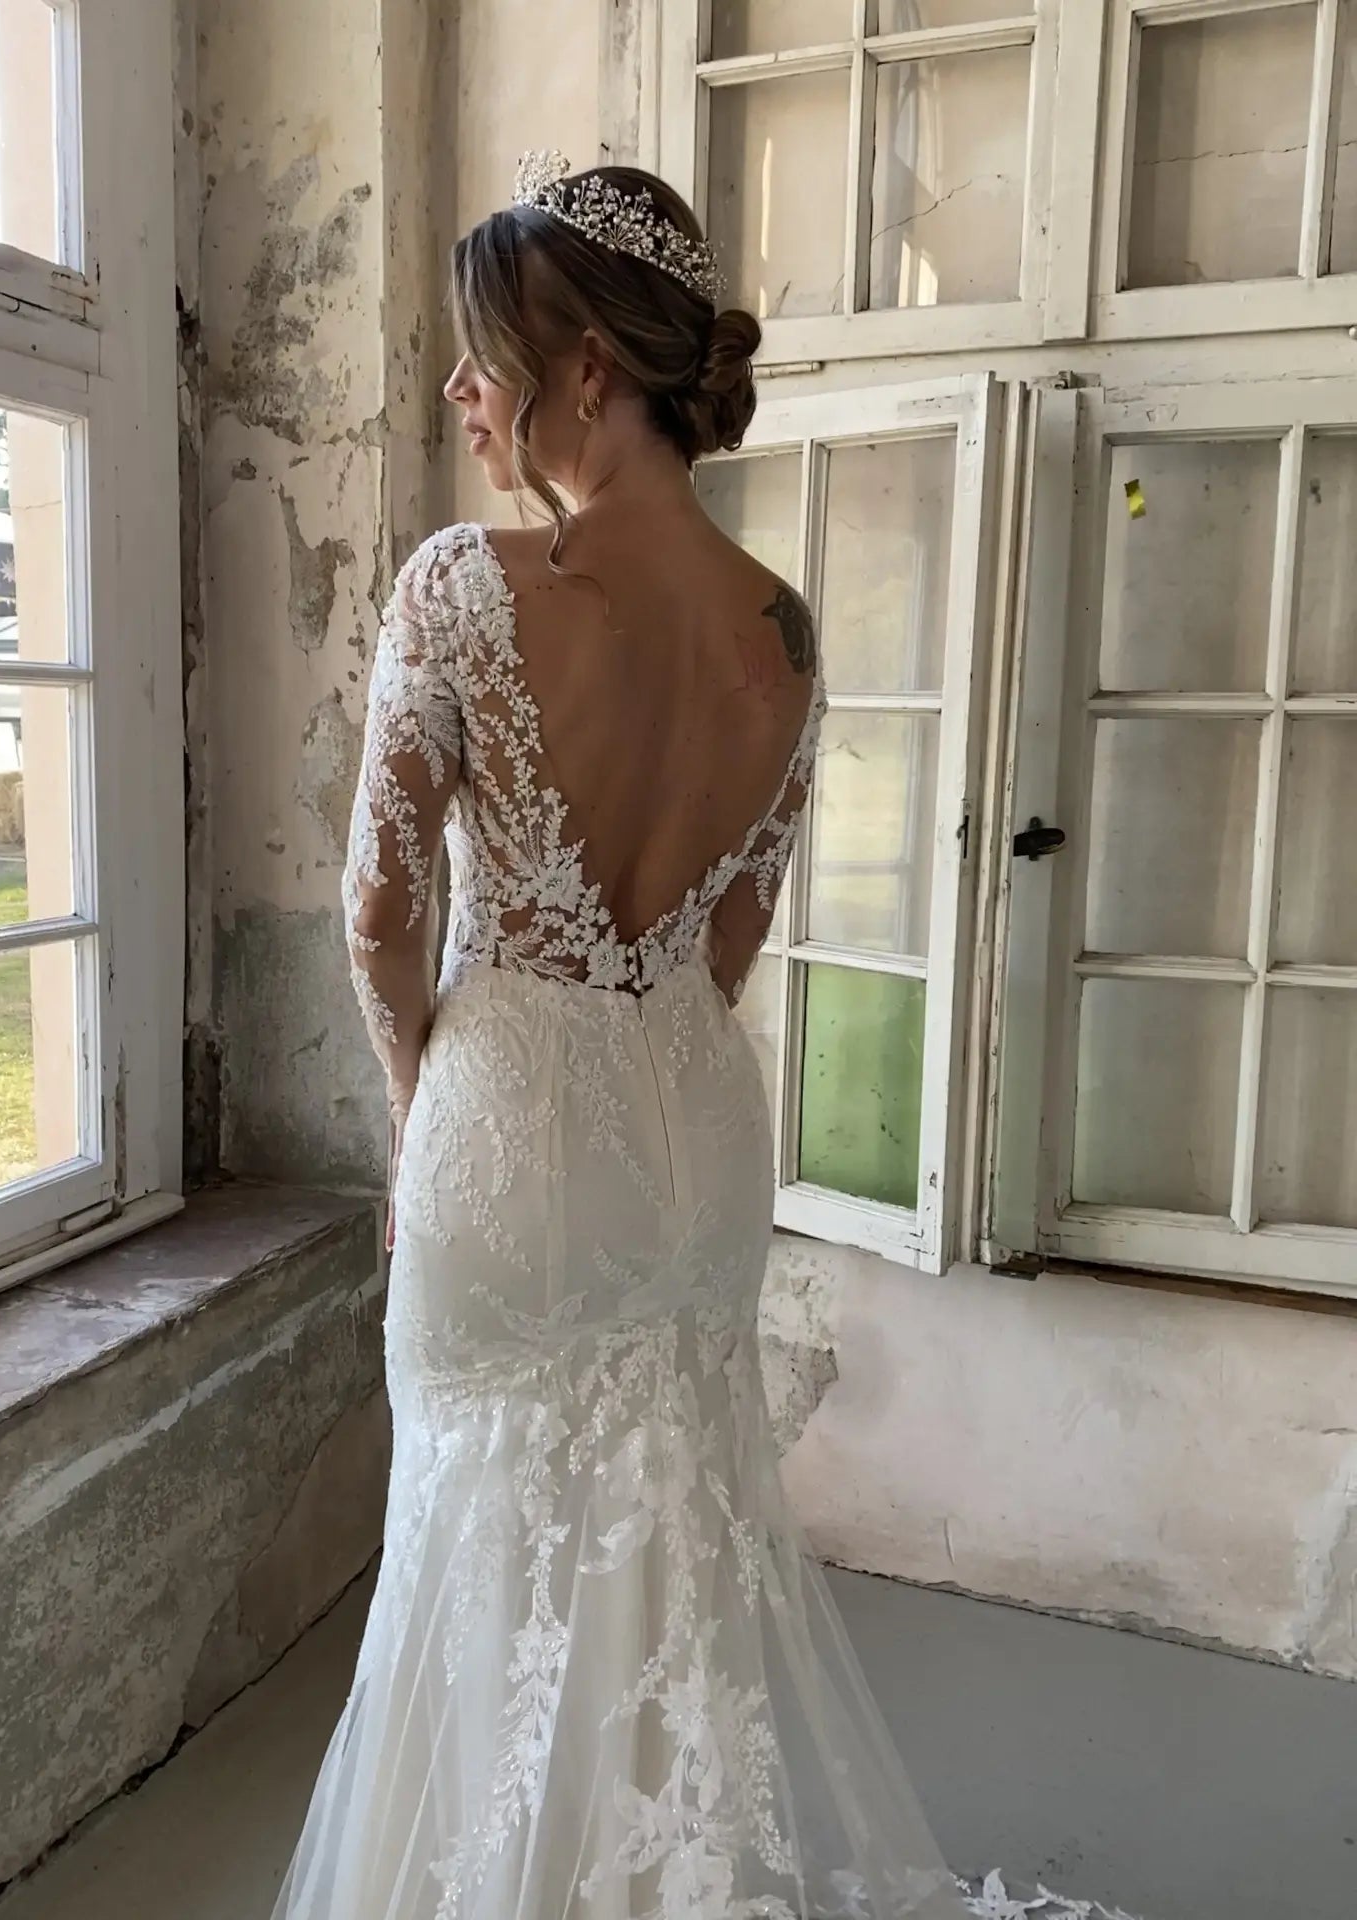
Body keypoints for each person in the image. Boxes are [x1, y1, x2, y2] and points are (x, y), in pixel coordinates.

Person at [270, 152, 997, 1920]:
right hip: (689, 1136)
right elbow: (732, 937)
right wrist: (636, 1022)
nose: (463, 390)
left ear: (586, 368)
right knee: (677, 1560)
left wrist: (418, 1105)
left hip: (508, 1127)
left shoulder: (459, 585)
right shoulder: (783, 634)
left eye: (485, 356)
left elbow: (377, 916)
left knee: (475, 1558)